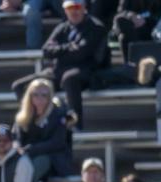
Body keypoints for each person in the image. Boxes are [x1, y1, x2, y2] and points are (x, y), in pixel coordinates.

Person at [26, 0, 108, 131]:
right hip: (59, 70)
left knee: (69, 78)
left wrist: (59, 51)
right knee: (22, 85)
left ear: (84, 8)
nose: (74, 11)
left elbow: (81, 53)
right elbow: (46, 50)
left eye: (77, 7)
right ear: (65, 10)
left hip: (86, 71)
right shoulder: (62, 27)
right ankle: (33, 124)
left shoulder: (95, 27)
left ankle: (75, 125)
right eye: (70, 8)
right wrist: (69, 47)